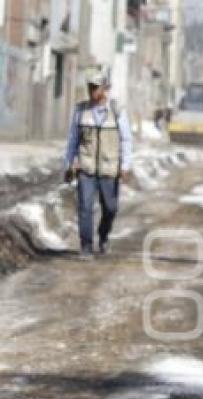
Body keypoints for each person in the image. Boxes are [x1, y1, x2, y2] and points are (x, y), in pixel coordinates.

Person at [64, 69, 133, 259]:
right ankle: (86, 246)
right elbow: (73, 140)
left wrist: (125, 165)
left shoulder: (117, 111)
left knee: (110, 208)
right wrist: (69, 164)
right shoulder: (81, 111)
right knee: (85, 207)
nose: (92, 91)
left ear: (105, 88)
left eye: (96, 87)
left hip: (109, 169)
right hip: (86, 168)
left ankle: (103, 235)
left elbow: (126, 139)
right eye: (90, 87)